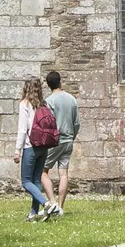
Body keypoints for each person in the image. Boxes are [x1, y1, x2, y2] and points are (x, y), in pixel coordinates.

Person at [15, 77, 58, 219]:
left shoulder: (25, 104)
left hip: (30, 146)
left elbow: (22, 129)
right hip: (43, 147)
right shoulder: (43, 104)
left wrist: (17, 150)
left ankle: (46, 204)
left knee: (26, 181)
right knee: (36, 181)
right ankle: (33, 213)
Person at [43, 70, 80, 213]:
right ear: (60, 81)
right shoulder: (71, 99)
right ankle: (61, 207)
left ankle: (52, 203)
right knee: (63, 173)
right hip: (69, 139)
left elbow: (48, 123)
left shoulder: (49, 101)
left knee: (42, 171)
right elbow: (76, 122)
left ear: (48, 85)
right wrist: (72, 136)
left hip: (55, 140)